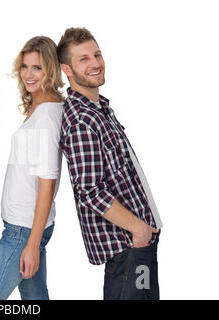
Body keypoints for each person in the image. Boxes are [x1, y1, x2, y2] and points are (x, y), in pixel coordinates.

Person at [56, 27, 163, 300]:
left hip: (139, 243)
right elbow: (91, 190)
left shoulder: (99, 109)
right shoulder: (82, 120)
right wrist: (138, 230)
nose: (95, 63)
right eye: (84, 59)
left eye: (97, 54)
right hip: (127, 246)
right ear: (66, 69)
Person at [0, 36, 64, 300]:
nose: (28, 74)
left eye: (37, 67)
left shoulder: (47, 116)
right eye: (25, 66)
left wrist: (32, 245)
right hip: (25, 226)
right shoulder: (42, 106)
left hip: (23, 232)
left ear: (50, 69)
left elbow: (47, 184)